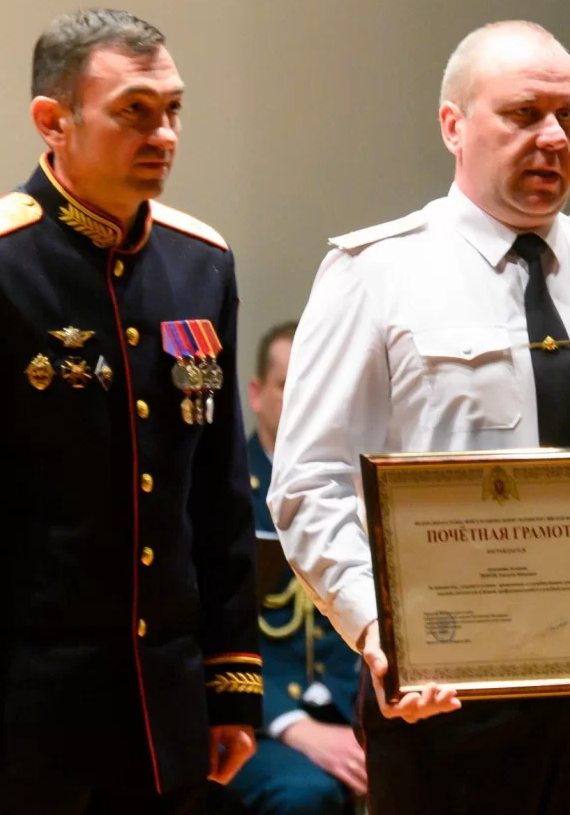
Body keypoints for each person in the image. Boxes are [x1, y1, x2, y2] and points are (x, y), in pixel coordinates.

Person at [267, 20, 570, 814]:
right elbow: (308, 483)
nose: (553, 137)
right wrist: (377, 629)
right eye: (524, 114)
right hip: (438, 684)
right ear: (453, 125)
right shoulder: (375, 271)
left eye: (569, 116)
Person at [0, 8, 260, 815]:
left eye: (173, 109)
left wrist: (230, 682)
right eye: (134, 111)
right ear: (53, 121)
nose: (164, 134)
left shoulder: (201, 263)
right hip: (23, 721)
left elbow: (218, 495)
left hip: (166, 715)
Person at [224, 321, 364, 815]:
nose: (304, 401)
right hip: (257, 721)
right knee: (304, 795)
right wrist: (292, 724)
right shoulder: (224, 493)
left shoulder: (361, 487)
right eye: (288, 386)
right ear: (257, 394)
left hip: (354, 710)